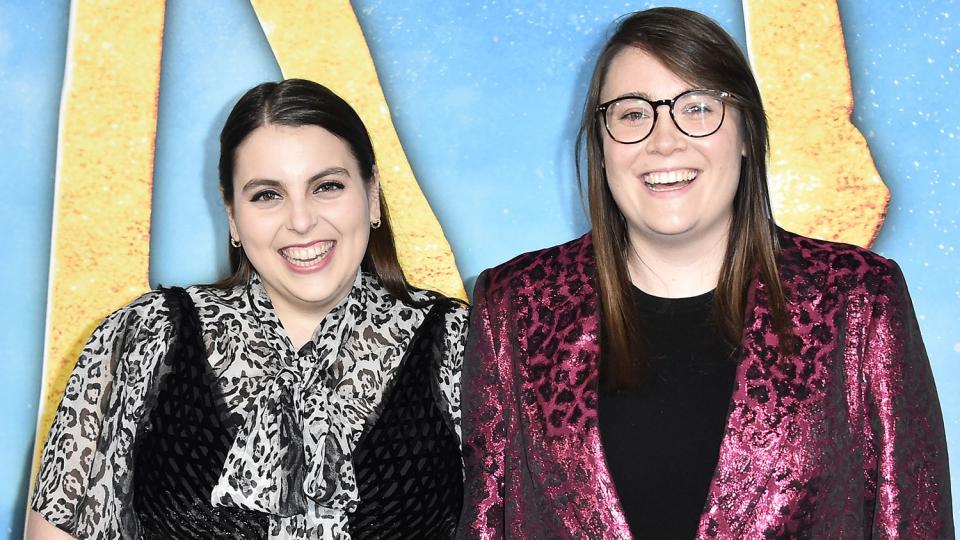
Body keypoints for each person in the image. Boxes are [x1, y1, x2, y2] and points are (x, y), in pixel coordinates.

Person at [457, 7, 952, 539]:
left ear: (745, 133)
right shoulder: (515, 305)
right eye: (631, 113)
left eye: (696, 108)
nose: (664, 141)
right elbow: (486, 523)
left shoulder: (857, 300)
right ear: (600, 145)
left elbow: (915, 526)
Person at [29, 79, 467, 539]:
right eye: (267, 195)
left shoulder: (463, 343)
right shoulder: (143, 337)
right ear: (233, 215)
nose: (301, 221)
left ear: (372, 193)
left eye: (327, 186)